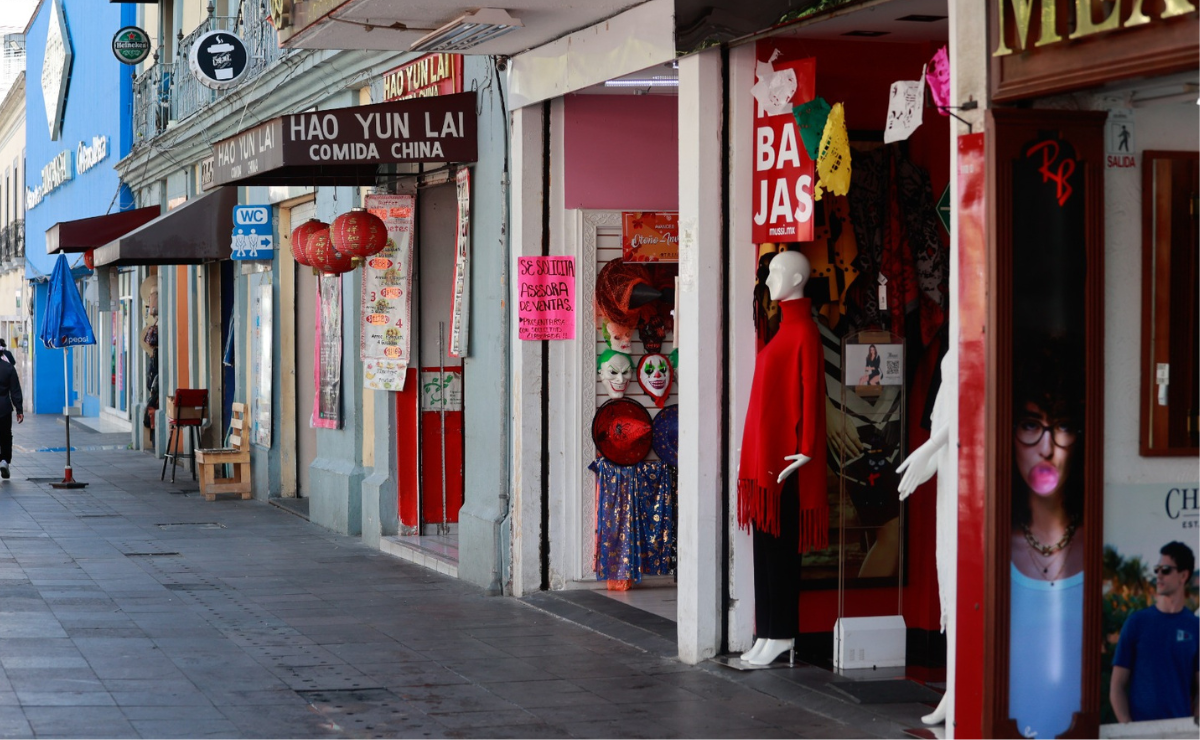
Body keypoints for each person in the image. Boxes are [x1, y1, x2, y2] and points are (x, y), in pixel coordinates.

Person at [1008, 347, 1085, 739]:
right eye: (1030, 425)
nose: (1047, 447)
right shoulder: (997, 547)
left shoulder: (1097, 542)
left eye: (1064, 426)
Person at [1109, 541, 1199, 724]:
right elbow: (1116, 686)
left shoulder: (1195, 627)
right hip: (1141, 732)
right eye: (1156, 569)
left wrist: (1194, 726)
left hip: (1180, 733)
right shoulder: (1137, 623)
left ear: (1183, 575)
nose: (1158, 575)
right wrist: (1128, 728)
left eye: (1165, 569)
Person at [0, 356, 24, 480]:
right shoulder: (8, 368)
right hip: (4, 408)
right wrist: (19, 409)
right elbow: (15, 390)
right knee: (5, 436)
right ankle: (4, 460)